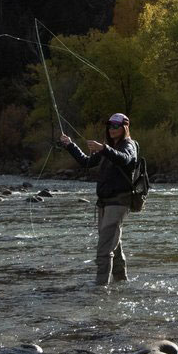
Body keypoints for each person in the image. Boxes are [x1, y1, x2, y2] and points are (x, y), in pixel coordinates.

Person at [59, 112, 139, 285]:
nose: (112, 129)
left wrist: (103, 148)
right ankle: (121, 280)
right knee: (113, 245)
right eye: (110, 125)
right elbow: (86, 162)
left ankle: (100, 289)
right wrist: (70, 145)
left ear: (125, 127)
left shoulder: (129, 145)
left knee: (104, 249)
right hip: (104, 203)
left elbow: (125, 159)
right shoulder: (108, 147)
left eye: (116, 126)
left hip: (119, 202)